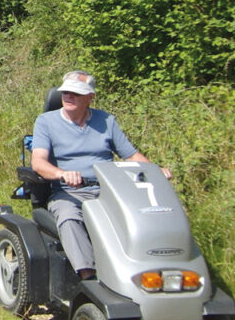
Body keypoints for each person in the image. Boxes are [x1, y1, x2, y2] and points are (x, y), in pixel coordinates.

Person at [31, 70, 171, 281]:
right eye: (66, 92)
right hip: (70, 193)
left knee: (141, 214)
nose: (69, 97)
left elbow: (131, 155)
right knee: (69, 217)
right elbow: (38, 162)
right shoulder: (46, 121)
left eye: (75, 93)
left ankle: (152, 271)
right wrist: (62, 174)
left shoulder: (106, 121)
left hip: (108, 189)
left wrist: (155, 170)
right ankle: (89, 277)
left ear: (90, 97)